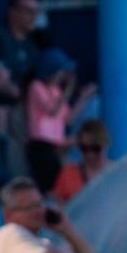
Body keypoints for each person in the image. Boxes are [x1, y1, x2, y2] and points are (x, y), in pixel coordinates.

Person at [24, 48, 96, 196]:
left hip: (57, 147)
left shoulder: (56, 91)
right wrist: (68, 90)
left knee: (59, 187)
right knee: (49, 188)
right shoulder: (36, 87)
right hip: (42, 145)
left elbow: (68, 119)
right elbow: (52, 111)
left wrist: (84, 97)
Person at [52, 118, 111, 204]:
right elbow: (58, 206)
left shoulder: (117, 174)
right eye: (84, 148)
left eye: (95, 148)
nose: (90, 154)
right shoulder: (68, 174)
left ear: (106, 145)